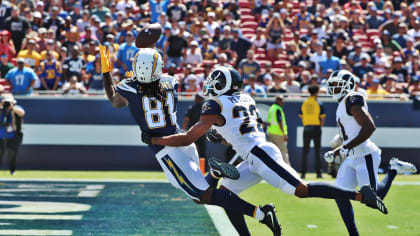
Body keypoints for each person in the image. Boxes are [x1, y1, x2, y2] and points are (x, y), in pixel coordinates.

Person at [148, 66, 388, 236]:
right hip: (253, 155)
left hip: (260, 154)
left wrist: (158, 140)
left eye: (216, 80)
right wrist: (219, 135)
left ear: (225, 85)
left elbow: (189, 137)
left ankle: (361, 195)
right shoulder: (246, 99)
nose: (211, 84)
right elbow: (237, 135)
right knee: (228, 195)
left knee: (302, 190)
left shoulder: (215, 105)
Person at [99, 45, 282, 235]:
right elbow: (149, 85)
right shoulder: (171, 81)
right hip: (181, 139)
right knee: (198, 196)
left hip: (166, 149)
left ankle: (261, 214)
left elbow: (115, 100)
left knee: (205, 194)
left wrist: (107, 74)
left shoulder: (128, 87)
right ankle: (215, 174)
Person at [324, 70, 417, 236]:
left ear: (347, 85)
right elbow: (350, 137)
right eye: (332, 86)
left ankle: (393, 168)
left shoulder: (352, 100)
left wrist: (345, 148)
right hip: (352, 157)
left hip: (365, 154)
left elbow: (369, 127)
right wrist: (337, 151)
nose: (333, 89)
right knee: (339, 194)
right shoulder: (342, 103)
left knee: (373, 199)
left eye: (337, 86)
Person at [299, 84, 325, 179]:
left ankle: (303, 173)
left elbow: (301, 116)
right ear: (317, 92)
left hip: (306, 128)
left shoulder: (304, 103)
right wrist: (319, 126)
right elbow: (322, 118)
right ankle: (318, 173)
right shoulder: (319, 103)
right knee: (318, 151)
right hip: (316, 128)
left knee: (305, 151)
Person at [0, 94, 24, 175]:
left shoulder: (17, 108)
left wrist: (12, 108)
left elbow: (22, 113)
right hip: (1, 135)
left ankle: (12, 170)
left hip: (13, 136)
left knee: (12, 154)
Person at [267, 95, 290, 165]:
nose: (283, 102)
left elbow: (269, 122)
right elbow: (279, 121)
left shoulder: (271, 108)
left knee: (272, 152)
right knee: (283, 151)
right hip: (278, 133)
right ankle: (287, 169)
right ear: (278, 100)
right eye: (282, 100)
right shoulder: (278, 109)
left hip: (271, 132)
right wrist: (284, 134)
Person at [182, 93, 207, 158]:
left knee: (191, 151)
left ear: (200, 99)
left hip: (192, 133)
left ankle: (194, 167)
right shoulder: (205, 109)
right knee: (202, 152)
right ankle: (204, 168)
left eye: (197, 97)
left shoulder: (192, 108)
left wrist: (183, 130)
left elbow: (186, 120)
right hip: (201, 133)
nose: (195, 98)